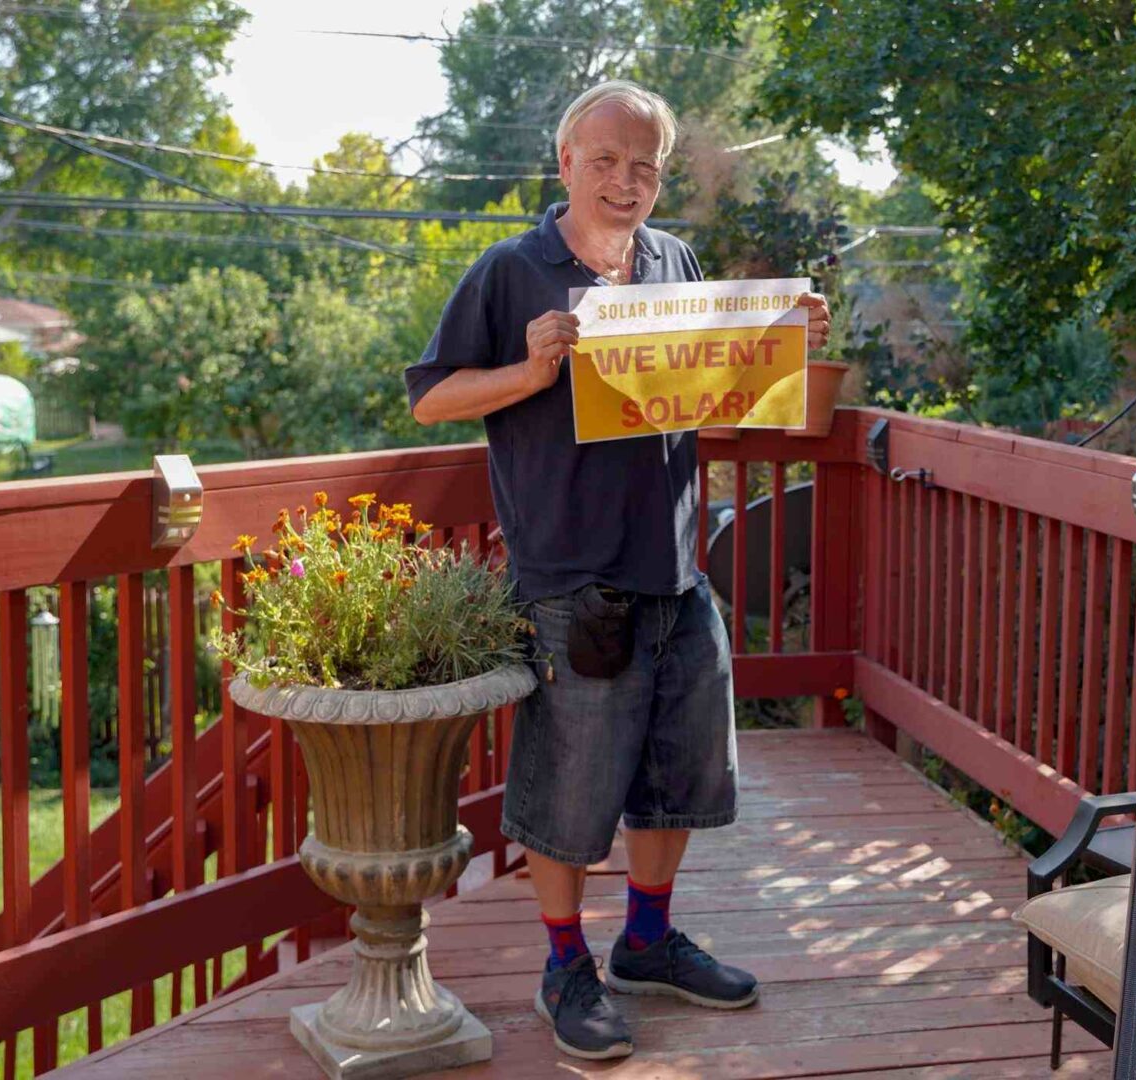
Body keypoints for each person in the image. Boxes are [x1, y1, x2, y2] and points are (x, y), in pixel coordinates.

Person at [404, 79, 832, 1060]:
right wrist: (526, 370)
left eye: (644, 165)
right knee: (570, 790)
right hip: (571, 578)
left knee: (682, 771)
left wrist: (781, 344)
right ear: (565, 164)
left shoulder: (673, 259)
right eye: (605, 160)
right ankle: (565, 964)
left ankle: (646, 940)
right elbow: (431, 399)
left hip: (678, 568)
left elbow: (708, 397)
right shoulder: (513, 270)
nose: (625, 180)